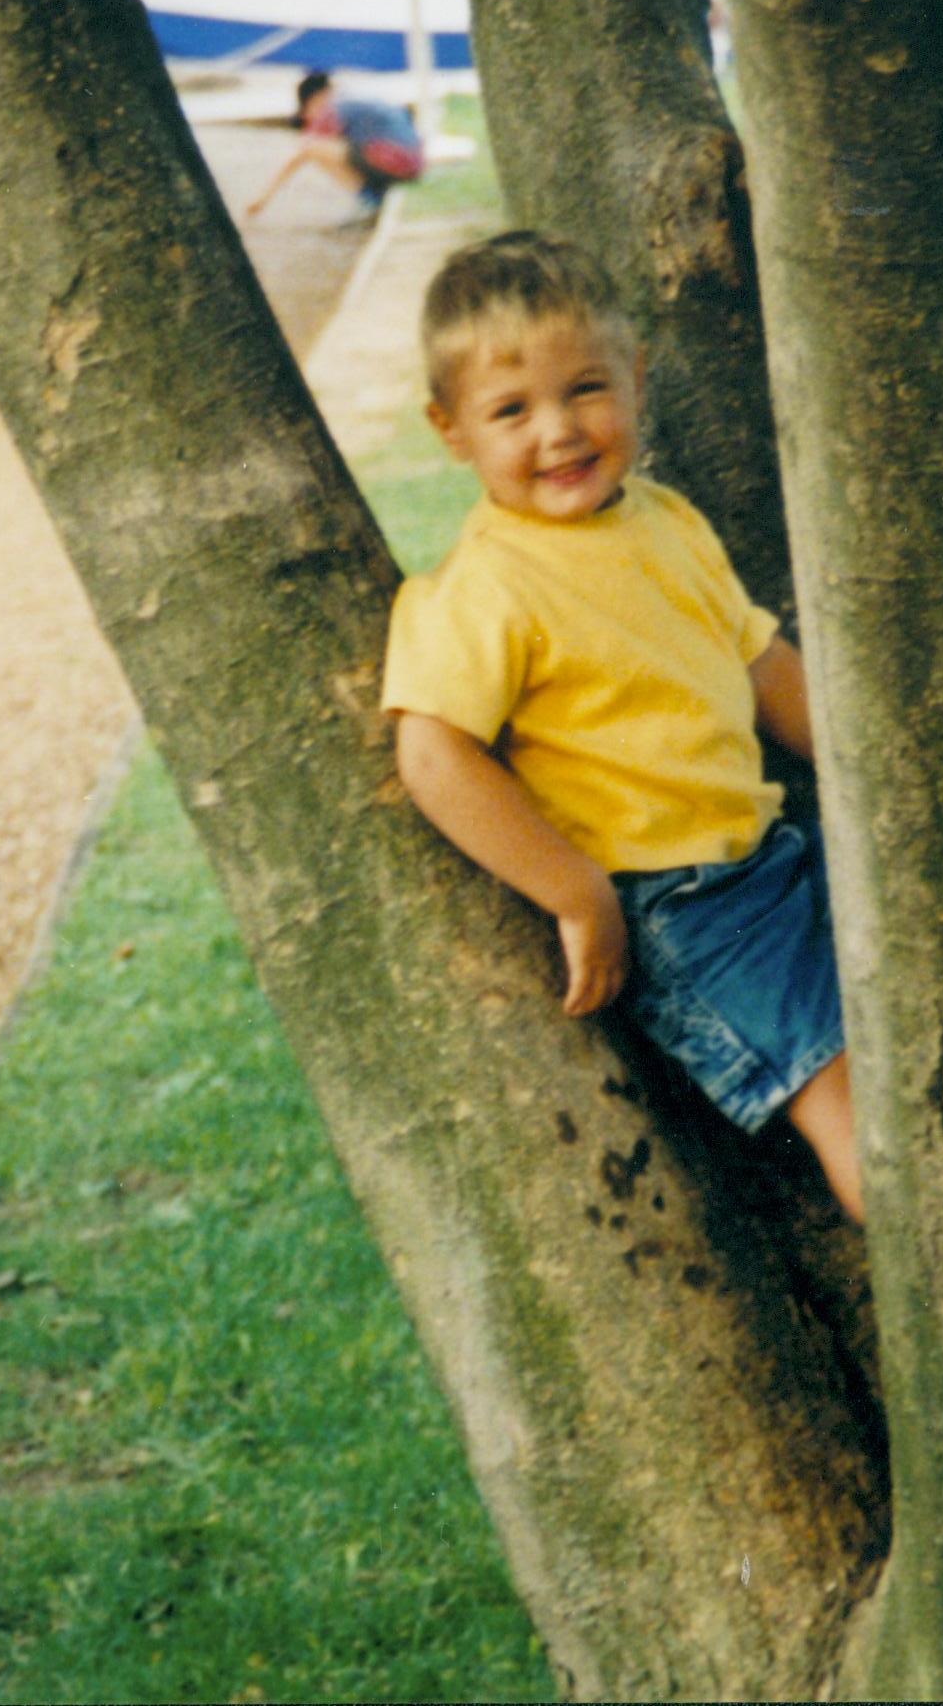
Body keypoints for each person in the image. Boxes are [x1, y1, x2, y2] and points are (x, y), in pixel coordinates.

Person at [383, 233, 862, 1221]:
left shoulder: (664, 520)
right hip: (684, 905)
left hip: (773, 856)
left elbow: (759, 665)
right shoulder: (487, 585)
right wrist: (574, 890)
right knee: (850, 1095)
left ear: (637, 379)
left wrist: (870, 776)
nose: (558, 431)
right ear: (452, 430)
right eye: (511, 410)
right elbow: (432, 752)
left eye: (586, 389)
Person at [241, 70, 425, 225]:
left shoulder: (332, 107)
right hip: (411, 163)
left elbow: (302, 152)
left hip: (397, 161)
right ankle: (375, 194)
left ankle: (371, 201)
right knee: (334, 148)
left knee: (312, 148)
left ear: (313, 100)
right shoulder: (350, 99)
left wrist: (264, 197)